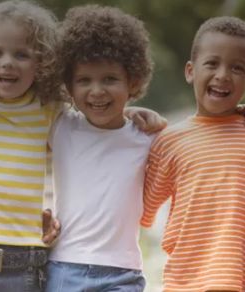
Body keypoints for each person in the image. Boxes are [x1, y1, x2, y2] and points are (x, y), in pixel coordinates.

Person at [141, 16, 245, 291]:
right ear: (190, 71)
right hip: (186, 282)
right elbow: (141, 211)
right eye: (212, 63)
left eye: (237, 67)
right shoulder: (169, 141)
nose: (222, 74)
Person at [45, 5, 154, 292]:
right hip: (64, 268)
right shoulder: (60, 127)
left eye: (109, 79)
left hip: (124, 273)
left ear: (133, 81)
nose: (97, 91)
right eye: (84, 80)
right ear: (68, 86)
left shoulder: (147, 137)